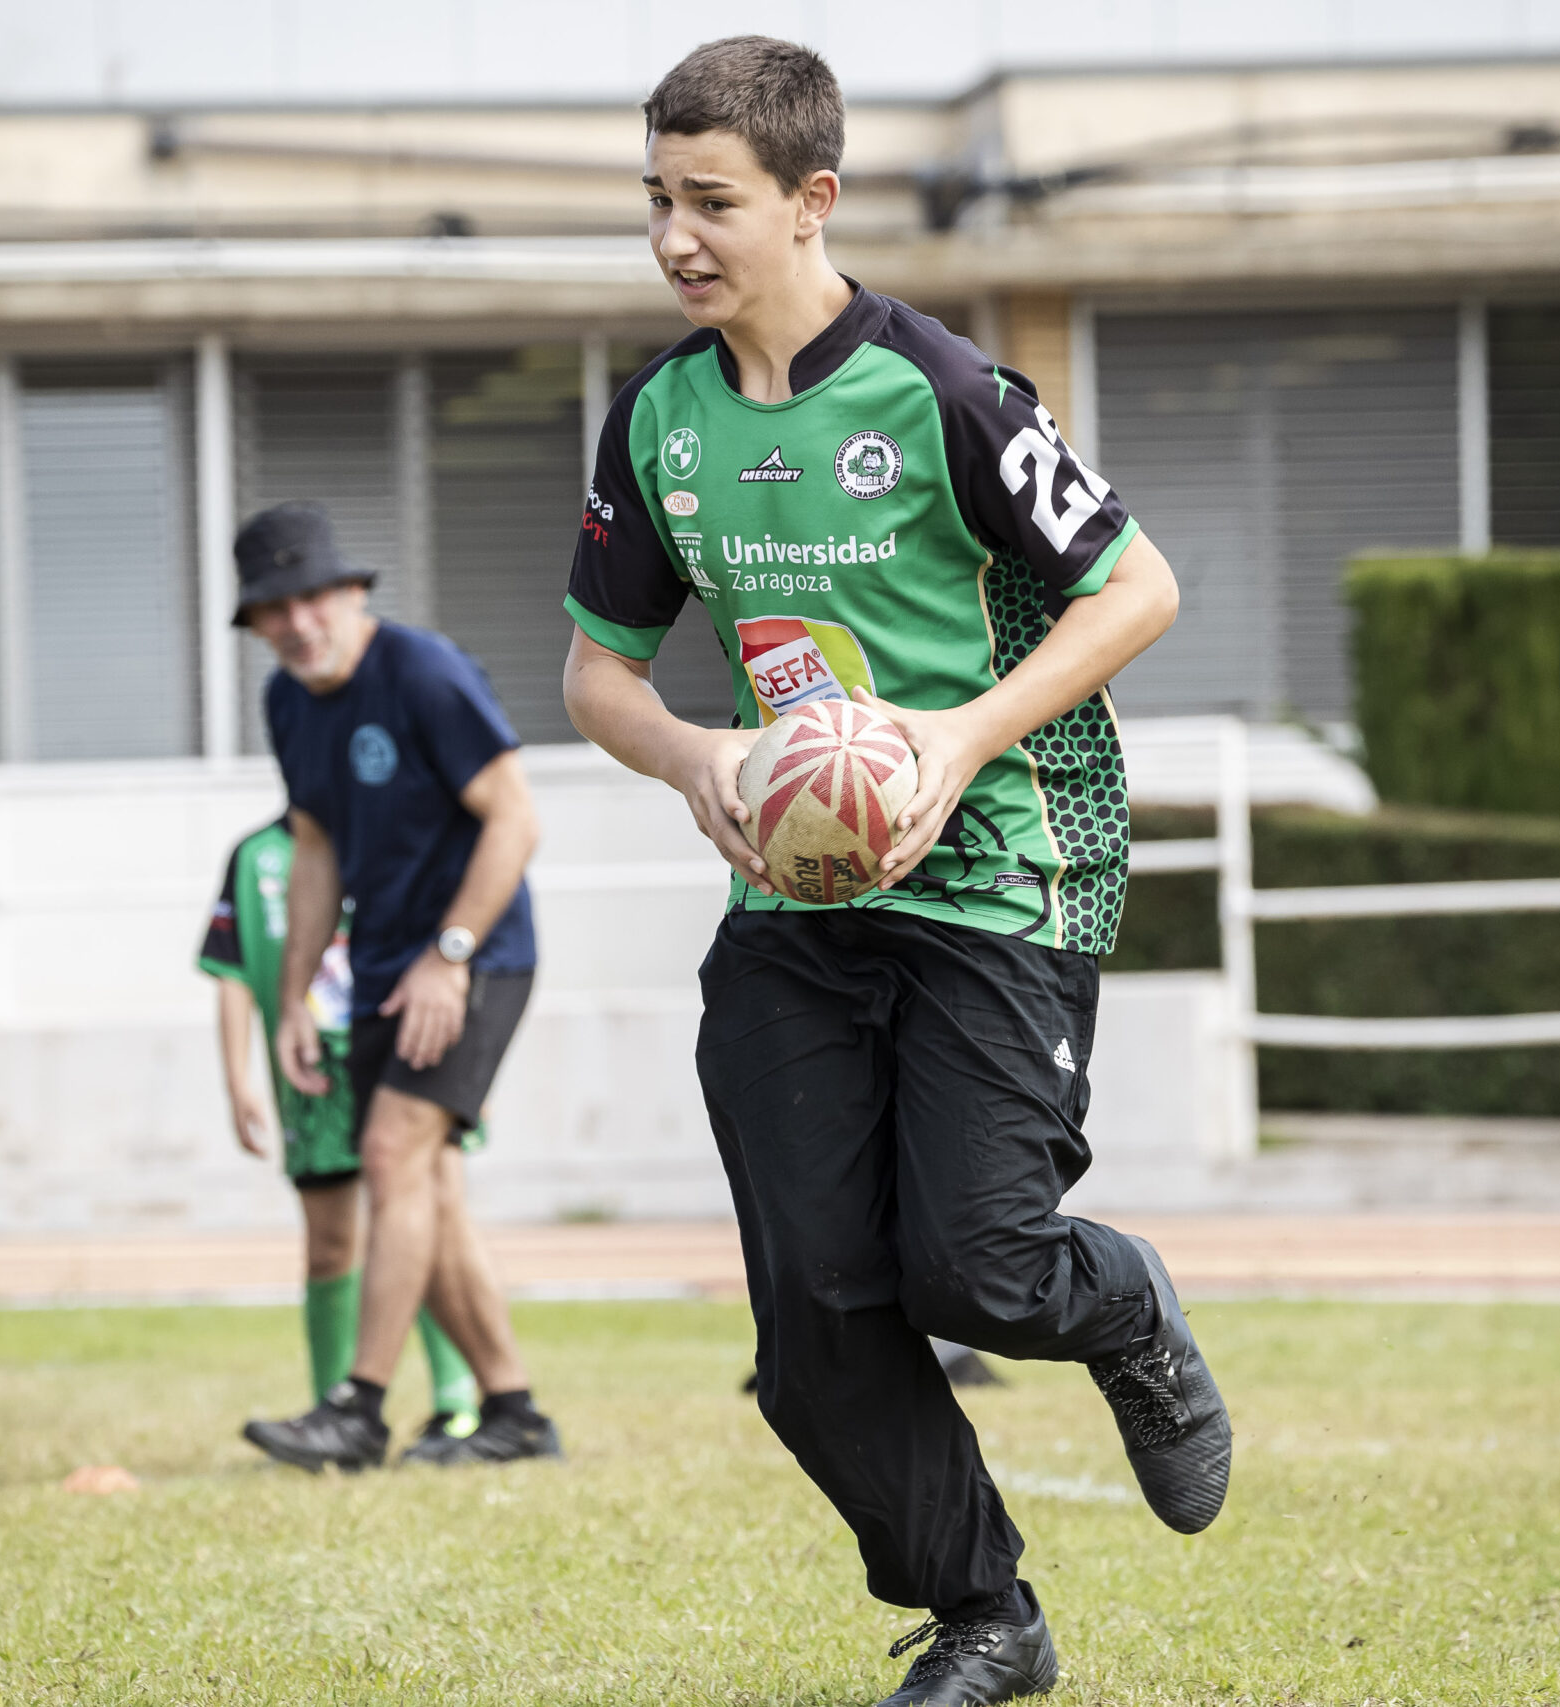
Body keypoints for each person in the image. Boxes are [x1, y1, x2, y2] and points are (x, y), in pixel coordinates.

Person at [560, 38, 1222, 1707]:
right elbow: (598, 677)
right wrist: (705, 759)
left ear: (812, 199)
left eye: (712, 203)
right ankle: (984, 1618)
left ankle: (1128, 1307)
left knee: (979, 1269)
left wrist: (957, 739)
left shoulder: (941, 388)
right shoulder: (660, 420)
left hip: (1001, 871)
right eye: (659, 200)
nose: (676, 238)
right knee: (813, 1331)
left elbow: (1137, 588)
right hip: (792, 906)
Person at [225, 503, 559, 1471]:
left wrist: (449, 955)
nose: (295, 623)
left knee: (390, 1152)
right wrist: (294, 997)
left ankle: (357, 1409)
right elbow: (318, 848)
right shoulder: (288, 702)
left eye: (310, 598)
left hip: (477, 955)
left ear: (352, 592)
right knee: (431, 1191)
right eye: (271, 609)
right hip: (379, 965)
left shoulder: (422, 670)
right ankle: (513, 1414)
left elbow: (514, 819)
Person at [198, 814, 484, 1442]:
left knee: (432, 1225)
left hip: (406, 1055)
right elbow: (232, 972)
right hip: (314, 1077)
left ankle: (458, 1403)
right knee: (330, 1243)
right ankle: (334, 1411)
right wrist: (237, 1079)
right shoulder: (256, 856)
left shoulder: (397, 828)